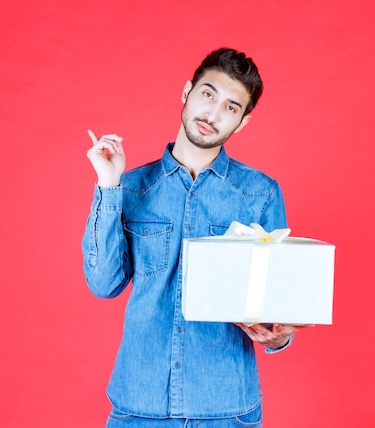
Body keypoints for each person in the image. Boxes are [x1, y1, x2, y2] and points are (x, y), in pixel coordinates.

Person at [82, 47, 309, 428]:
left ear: (242, 123)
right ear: (187, 92)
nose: (213, 115)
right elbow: (103, 284)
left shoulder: (261, 193)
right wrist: (108, 185)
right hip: (139, 406)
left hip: (226, 409)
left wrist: (276, 338)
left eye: (231, 108)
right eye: (208, 95)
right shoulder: (131, 187)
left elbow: (275, 305)